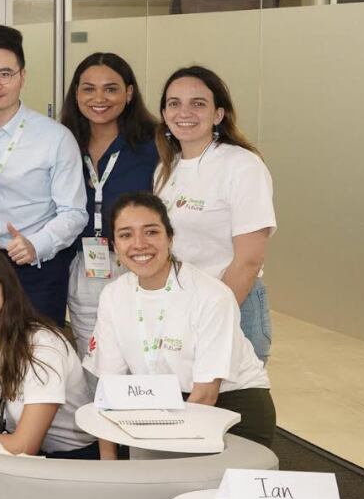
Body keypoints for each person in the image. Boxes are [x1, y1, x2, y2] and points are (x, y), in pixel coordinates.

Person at [90, 192, 275, 451]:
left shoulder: (212, 295)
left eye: (151, 232)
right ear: (115, 245)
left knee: (175, 473)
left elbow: (206, 395)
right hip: (163, 406)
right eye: (126, 235)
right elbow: (109, 390)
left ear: (170, 237)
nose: (139, 244)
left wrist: (158, 451)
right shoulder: (113, 296)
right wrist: (109, 464)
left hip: (229, 409)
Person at [0, 25, 87, 323]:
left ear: (22, 76)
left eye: (4, 74)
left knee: (39, 348)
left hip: (37, 270)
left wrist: (36, 244)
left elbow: (74, 212)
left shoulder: (55, 137)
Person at [153, 66, 276, 361]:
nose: (184, 112)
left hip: (234, 303)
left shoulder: (242, 165)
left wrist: (211, 316)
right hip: (180, 304)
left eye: (198, 103)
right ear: (165, 114)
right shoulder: (165, 169)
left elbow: (249, 260)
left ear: (218, 114)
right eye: (174, 103)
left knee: (229, 391)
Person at [0, 250, 96, 459]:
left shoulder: (43, 345)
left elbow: (24, 446)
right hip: (14, 453)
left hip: (73, 459)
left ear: (8, 289)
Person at [59, 53, 160, 357]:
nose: (99, 98)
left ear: (129, 93)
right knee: (94, 358)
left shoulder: (156, 145)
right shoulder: (63, 143)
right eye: (88, 89)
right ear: (76, 94)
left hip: (139, 264)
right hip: (84, 267)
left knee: (145, 356)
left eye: (111, 89)